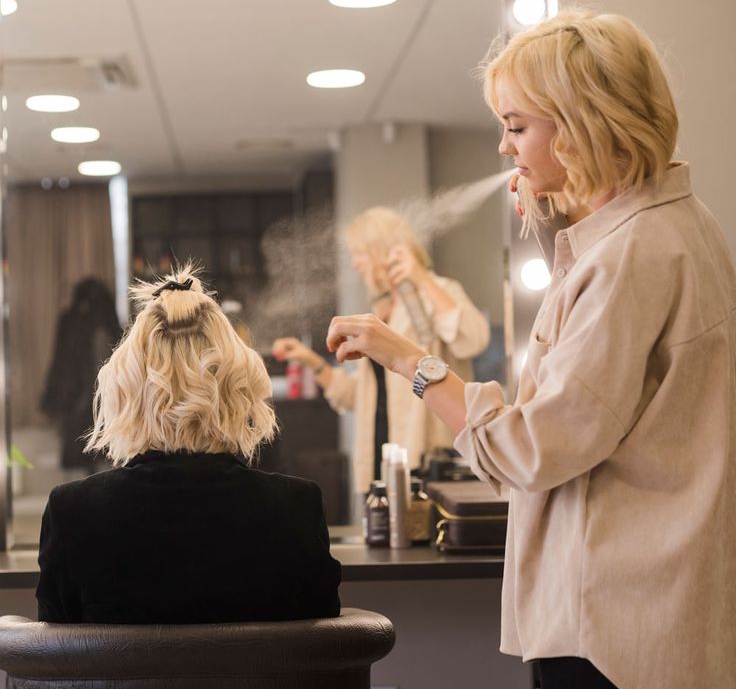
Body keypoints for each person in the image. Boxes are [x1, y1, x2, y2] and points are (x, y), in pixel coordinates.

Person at [325, 9, 736, 689]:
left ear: (581, 125)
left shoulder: (628, 257)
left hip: (612, 626)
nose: (502, 148)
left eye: (516, 127)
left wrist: (410, 362)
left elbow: (529, 450)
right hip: (651, 614)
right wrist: (552, 218)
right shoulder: (676, 226)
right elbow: (597, 363)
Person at [36, 266, 341, 624]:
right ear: (239, 386)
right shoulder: (295, 510)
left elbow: (54, 657)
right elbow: (324, 654)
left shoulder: (73, 513)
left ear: (126, 390)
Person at [273, 206, 490, 494]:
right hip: (382, 465)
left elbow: (474, 339)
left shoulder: (436, 291)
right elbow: (359, 397)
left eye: (359, 253)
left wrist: (421, 279)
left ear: (380, 250)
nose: (355, 263)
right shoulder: (383, 312)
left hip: (426, 464)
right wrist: (308, 359)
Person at [41, 277, 122, 469]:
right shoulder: (82, 321)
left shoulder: (91, 320)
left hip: (90, 392)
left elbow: (60, 360)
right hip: (83, 392)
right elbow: (61, 358)